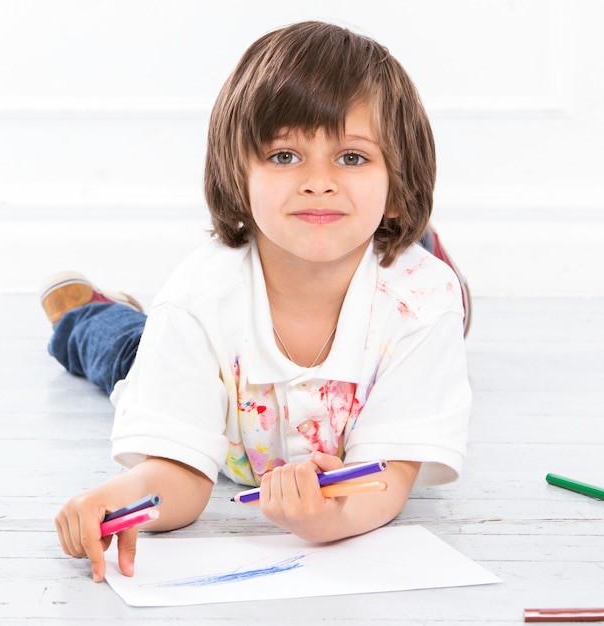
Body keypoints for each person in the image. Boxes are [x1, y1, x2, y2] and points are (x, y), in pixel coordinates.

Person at [44, 20, 472, 584]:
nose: (318, 181)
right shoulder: (197, 300)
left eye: (351, 158)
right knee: (124, 349)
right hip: (219, 379)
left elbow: (388, 478)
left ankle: (414, 239)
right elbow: (180, 474)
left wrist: (327, 519)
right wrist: (119, 498)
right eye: (285, 156)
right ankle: (88, 314)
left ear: (398, 184)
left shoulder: (422, 301)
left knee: (440, 298)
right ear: (236, 176)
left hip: (394, 293)